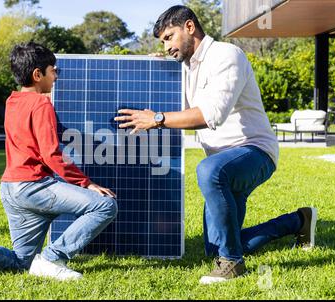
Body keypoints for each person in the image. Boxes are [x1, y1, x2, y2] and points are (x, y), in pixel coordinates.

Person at [115, 5, 317, 284]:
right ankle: (298, 221)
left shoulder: (226, 55)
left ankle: (232, 263)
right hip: (224, 160)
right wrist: (158, 72)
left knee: (209, 171)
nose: (167, 47)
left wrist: (157, 119)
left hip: (253, 152)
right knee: (215, 246)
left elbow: (211, 116)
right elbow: (180, 109)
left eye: (169, 37)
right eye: (163, 42)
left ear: (189, 27)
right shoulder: (185, 68)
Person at [0, 41, 118, 282]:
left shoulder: (13, 101)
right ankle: (53, 258)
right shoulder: (42, 104)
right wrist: (86, 183)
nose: (56, 77)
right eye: (54, 71)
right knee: (104, 205)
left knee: (22, 262)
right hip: (34, 187)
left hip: (10, 189)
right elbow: (51, 154)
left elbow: (45, 132)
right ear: (37, 74)